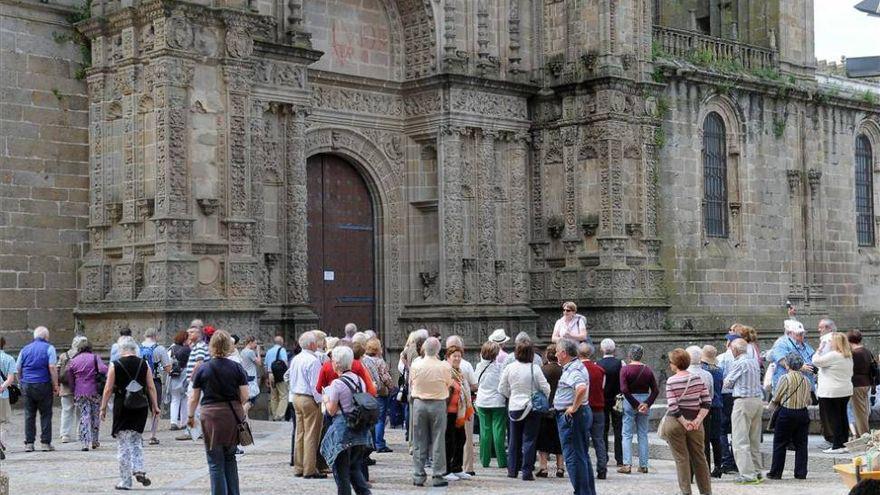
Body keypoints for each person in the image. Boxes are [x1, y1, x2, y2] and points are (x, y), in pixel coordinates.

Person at [187, 330, 248, 495]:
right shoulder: (237, 367)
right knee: (230, 458)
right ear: (229, 346)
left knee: (215, 462)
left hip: (211, 416)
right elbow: (245, 396)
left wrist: (191, 416)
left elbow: (193, 398)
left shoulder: (203, 369)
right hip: (232, 415)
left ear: (211, 346)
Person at [100, 337, 160, 490]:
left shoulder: (115, 364)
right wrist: (155, 405)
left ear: (121, 349)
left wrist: (103, 407)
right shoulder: (144, 363)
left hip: (123, 406)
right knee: (136, 439)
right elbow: (151, 387)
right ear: (134, 349)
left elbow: (107, 389)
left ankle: (126, 481)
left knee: (123, 445)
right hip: (140, 405)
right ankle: (139, 468)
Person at [321, 346, 374, 495]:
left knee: (342, 474)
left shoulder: (337, 384)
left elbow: (331, 411)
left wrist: (325, 399)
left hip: (343, 431)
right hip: (359, 429)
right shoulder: (360, 381)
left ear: (337, 363)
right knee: (354, 469)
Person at [661, 348, 712, 495]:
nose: (670, 365)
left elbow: (673, 406)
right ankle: (706, 492)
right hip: (696, 422)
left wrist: (684, 422)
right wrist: (697, 420)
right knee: (700, 458)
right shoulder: (697, 378)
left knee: (681, 459)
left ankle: (686, 492)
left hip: (675, 423)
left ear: (675, 364)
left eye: (671, 362)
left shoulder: (671, 381)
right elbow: (707, 402)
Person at [498, 340, 549, 481]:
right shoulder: (535, 368)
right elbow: (546, 387)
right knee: (530, 440)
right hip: (532, 407)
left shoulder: (510, 368)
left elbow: (501, 388)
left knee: (514, 440)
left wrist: (512, 396)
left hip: (515, 407)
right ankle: (526, 471)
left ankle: (512, 470)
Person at [554, 338, 596, 495]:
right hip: (579, 414)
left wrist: (573, 407)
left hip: (573, 417)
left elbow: (581, 388)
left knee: (573, 457)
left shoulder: (573, 370)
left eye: (557, 351)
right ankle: (587, 491)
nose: (556, 354)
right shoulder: (575, 366)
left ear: (564, 353)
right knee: (581, 455)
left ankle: (582, 492)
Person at [410, 337, 453, 487]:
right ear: (438, 349)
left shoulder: (416, 365)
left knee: (419, 440)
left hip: (419, 403)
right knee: (438, 440)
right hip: (438, 403)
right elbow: (449, 383)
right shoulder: (444, 366)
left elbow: (412, 383)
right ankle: (438, 474)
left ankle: (418, 474)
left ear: (424, 349)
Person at [723, 338, 764, 485]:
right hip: (757, 400)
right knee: (754, 440)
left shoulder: (739, 362)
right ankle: (758, 471)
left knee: (740, 440)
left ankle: (747, 475)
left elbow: (727, 382)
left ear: (734, 350)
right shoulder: (753, 361)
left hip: (743, 401)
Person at [767, 352, 812, 480]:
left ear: (787, 365)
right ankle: (801, 472)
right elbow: (808, 400)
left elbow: (777, 396)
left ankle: (776, 473)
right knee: (802, 444)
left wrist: (771, 406)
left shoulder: (785, 378)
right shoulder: (806, 380)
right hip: (803, 413)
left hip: (787, 413)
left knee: (780, 443)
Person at [16, 326, 59, 452]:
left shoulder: (25, 349)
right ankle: (45, 443)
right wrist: (55, 384)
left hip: (27, 384)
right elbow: (52, 367)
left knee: (29, 414)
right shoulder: (49, 348)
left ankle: (29, 443)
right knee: (45, 414)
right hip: (43, 384)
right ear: (46, 337)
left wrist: (21, 382)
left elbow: (18, 368)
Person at [289, 331, 325, 479]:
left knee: (300, 433)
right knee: (311, 434)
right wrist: (321, 401)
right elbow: (315, 385)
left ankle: (299, 466)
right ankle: (309, 469)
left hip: (296, 396)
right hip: (309, 398)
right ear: (311, 344)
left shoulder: (296, 359)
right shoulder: (313, 360)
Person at [619, 344, 658, 474]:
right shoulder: (647, 370)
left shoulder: (625, 370)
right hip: (644, 401)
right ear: (642, 355)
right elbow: (655, 390)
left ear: (630, 355)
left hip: (630, 402)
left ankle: (627, 464)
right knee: (643, 434)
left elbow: (624, 389)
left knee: (627, 434)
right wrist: (646, 403)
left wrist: (636, 404)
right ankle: (643, 465)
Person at [813, 332, 854, 454]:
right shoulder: (847, 355)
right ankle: (843, 443)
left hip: (831, 392)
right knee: (842, 416)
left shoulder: (833, 355)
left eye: (830, 342)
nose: (829, 344)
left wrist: (819, 349)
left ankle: (837, 445)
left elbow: (816, 361)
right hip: (845, 390)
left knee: (834, 418)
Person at [67, 338, 108, 451]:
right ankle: (95, 441)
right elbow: (103, 369)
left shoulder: (74, 360)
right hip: (94, 390)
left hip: (79, 391)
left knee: (84, 415)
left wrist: (73, 389)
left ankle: (85, 442)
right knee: (95, 415)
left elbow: (69, 376)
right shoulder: (95, 358)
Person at [446, 335, 478, 475]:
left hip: (460, 411)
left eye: (459, 356)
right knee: (449, 441)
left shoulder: (459, 372)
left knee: (461, 439)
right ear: (449, 357)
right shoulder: (446, 371)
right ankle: (447, 470)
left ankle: (457, 468)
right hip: (449, 412)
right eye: (454, 356)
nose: (457, 359)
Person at [474, 341, 507, 469]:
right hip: (497, 401)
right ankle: (501, 460)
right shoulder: (499, 367)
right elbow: (503, 385)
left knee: (485, 431)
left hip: (482, 401)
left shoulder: (479, 366)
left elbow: (476, 382)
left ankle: (485, 460)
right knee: (499, 432)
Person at [579, 343, 608, 479]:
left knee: (582, 439)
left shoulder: (578, 369)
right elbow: (602, 387)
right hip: (598, 408)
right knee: (598, 440)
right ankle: (602, 469)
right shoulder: (600, 370)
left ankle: (584, 469)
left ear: (579, 354)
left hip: (583, 408)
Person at [177, 326, 209, 441]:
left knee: (193, 405)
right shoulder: (197, 346)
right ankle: (197, 431)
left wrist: (192, 377)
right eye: (188, 332)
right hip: (197, 381)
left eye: (192, 332)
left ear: (199, 334)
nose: (189, 334)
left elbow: (199, 362)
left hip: (196, 382)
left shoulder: (200, 347)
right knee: (196, 406)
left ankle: (191, 431)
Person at [141, 327, 172, 445]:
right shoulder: (160, 349)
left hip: (140, 382)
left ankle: (138, 434)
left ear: (145, 336)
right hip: (155, 381)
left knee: (140, 407)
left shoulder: (138, 348)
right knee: (155, 408)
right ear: (155, 336)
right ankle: (152, 436)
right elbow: (167, 368)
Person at [537, 343, 565, 478]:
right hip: (560, 407)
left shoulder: (542, 370)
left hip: (545, 408)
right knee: (559, 437)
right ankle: (560, 467)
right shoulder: (564, 370)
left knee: (543, 439)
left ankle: (543, 467)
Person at [363, 338, 395, 453]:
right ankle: (379, 443)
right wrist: (391, 387)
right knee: (380, 419)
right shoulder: (380, 361)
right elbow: (385, 377)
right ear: (377, 349)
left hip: (369, 392)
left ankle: (372, 442)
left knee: (372, 419)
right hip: (381, 393)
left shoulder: (365, 360)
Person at [767, 320, 815, 393]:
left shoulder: (805, 344)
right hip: (788, 387)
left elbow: (813, 356)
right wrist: (800, 367)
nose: (802, 336)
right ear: (790, 333)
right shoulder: (781, 343)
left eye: (803, 333)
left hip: (805, 386)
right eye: (799, 334)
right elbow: (782, 360)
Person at [597, 338, 623, 468]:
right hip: (618, 399)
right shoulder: (620, 363)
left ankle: (604, 456)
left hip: (603, 400)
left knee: (603, 430)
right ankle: (620, 458)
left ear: (602, 349)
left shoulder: (598, 364)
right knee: (619, 429)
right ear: (614, 349)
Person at [700, 345, 725, 478]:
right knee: (716, 438)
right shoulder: (719, 370)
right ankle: (718, 467)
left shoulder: (702, 370)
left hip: (706, 406)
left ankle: (706, 467)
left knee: (705, 438)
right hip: (718, 405)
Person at [57, 335, 87, 443]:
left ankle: (65, 435)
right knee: (81, 412)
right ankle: (80, 434)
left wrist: (57, 386)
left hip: (65, 388)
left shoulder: (63, 355)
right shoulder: (85, 356)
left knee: (66, 411)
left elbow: (58, 370)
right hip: (81, 388)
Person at [848, 329, 875, 437]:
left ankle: (864, 435)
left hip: (856, 384)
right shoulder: (867, 351)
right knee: (864, 410)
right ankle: (863, 433)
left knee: (859, 412)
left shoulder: (853, 354)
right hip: (866, 383)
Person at [167, 330, 191, 430]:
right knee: (184, 399)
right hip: (185, 373)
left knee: (175, 399)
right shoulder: (187, 350)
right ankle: (184, 422)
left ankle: (173, 422)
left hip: (174, 375)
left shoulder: (171, 349)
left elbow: (167, 362)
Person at [0, 337, 18, 459]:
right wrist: (2, 387)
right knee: (5, 421)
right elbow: (11, 378)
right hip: (2, 394)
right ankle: (1, 442)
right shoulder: (9, 359)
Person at [265, 335, 289, 421]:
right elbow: (285, 362)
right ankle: (279, 415)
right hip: (280, 374)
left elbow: (266, 365)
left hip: (271, 374)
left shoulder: (269, 351)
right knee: (283, 395)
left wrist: (267, 377)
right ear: (281, 342)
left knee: (273, 396)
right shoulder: (282, 350)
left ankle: (274, 414)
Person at [239, 336, 262, 416]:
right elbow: (259, 363)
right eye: (255, 343)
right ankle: (243, 414)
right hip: (251, 376)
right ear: (250, 342)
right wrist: (258, 352)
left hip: (245, 375)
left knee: (246, 398)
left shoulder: (242, 351)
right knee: (252, 398)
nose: (255, 345)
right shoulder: (250, 352)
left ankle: (246, 418)